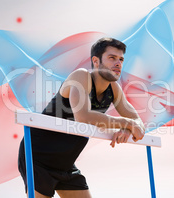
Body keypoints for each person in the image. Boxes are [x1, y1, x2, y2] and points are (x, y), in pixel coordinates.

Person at [18, 37, 145, 198]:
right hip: (38, 157)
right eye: (112, 58)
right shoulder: (81, 76)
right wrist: (127, 123)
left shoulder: (114, 89)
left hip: (65, 163)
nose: (118, 63)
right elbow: (83, 117)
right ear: (96, 61)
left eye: (121, 59)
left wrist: (128, 128)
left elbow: (138, 124)